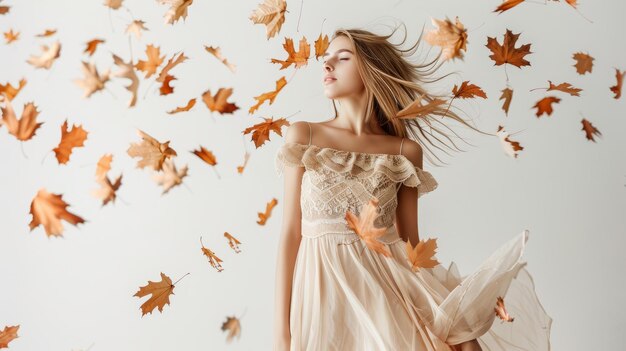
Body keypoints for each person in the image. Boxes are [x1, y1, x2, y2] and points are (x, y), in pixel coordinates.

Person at [273, 24, 552, 351]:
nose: (327, 64)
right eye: (327, 57)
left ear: (371, 70)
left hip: (389, 300)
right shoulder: (303, 136)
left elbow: (411, 247)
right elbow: (291, 233)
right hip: (323, 306)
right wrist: (282, 333)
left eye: (343, 57)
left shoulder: (404, 152)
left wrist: (454, 320)